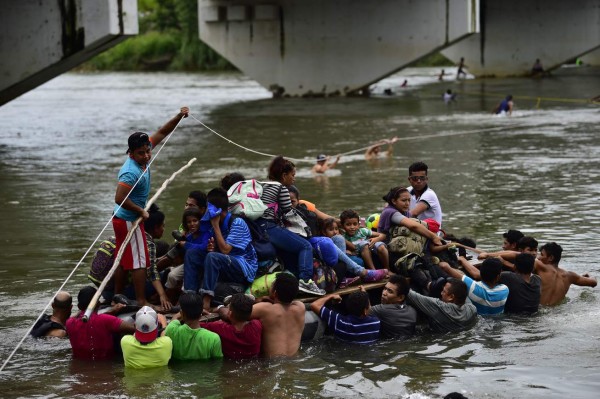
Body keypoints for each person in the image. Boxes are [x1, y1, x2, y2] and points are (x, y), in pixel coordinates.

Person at [112, 107, 189, 308]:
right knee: (139, 261)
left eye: (148, 151)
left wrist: (179, 117)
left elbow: (163, 132)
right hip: (129, 219)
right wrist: (141, 211)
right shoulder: (130, 172)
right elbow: (119, 197)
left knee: (122, 257)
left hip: (120, 218)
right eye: (141, 153)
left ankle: (117, 294)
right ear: (131, 152)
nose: (146, 156)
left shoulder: (145, 150)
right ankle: (141, 300)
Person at [257, 156, 324, 295]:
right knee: (305, 246)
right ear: (284, 175)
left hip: (258, 227)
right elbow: (289, 212)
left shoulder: (264, 185)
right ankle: (305, 281)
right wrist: (306, 229)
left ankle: (294, 281)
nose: (294, 179)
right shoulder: (281, 187)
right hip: (268, 226)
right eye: (292, 175)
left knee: (288, 249)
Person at [184, 188, 258, 311]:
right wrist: (210, 247)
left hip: (243, 266)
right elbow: (215, 250)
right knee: (192, 253)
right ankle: (189, 298)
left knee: (213, 257)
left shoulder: (237, 223)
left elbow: (225, 250)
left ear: (217, 210)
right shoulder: (213, 224)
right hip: (223, 261)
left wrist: (215, 225)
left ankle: (206, 301)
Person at [480, 242, 597, 306]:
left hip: (537, 312)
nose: (538, 257)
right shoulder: (570, 276)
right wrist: (587, 276)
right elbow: (593, 283)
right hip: (556, 315)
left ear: (550, 258)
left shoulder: (541, 266)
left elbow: (516, 254)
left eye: (542, 254)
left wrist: (488, 255)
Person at [378, 186, 442, 268]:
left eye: (409, 200)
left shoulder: (405, 212)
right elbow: (413, 226)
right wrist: (433, 237)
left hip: (402, 247)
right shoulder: (390, 212)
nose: (407, 203)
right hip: (390, 249)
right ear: (394, 201)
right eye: (404, 200)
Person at [66, 286, 135, 360]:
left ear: (79, 306)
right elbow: (136, 328)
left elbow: (86, 318)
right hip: (106, 363)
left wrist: (111, 311)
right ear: (98, 303)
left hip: (79, 366)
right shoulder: (106, 320)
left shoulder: (69, 322)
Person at [250, 273, 305, 357]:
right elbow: (286, 303)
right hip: (294, 363)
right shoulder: (300, 308)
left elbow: (238, 312)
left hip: (272, 365)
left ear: (275, 293)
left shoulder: (266, 309)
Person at [318, 217, 387, 283]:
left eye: (336, 229)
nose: (335, 232)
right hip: (334, 267)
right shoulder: (325, 241)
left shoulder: (360, 232)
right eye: (331, 229)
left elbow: (354, 247)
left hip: (345, 263)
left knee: (360, 259)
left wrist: (376, 239)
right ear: (324, 232)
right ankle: (363, 273)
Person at [201, 293, 262, 359]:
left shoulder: (220, 328)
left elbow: (196, 324)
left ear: (230, 313)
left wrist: (220, 308)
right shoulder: (257, 325)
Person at [439, 258, 509, 315]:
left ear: (480, 271)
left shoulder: (473, 287)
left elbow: (444, 266)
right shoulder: (504, 290)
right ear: (497, 277)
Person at [165, 292, 223, 360]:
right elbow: (217, 363)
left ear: (182, 314)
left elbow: (174, 319)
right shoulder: (213, 338)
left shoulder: (172, 330)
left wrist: (181, 313)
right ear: (201, 314)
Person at [406, 277, 477, 332]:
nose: (441, 293)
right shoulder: (472, 309)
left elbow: (411, 295)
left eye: (443, 291)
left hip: (434, 336)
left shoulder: (441, 307)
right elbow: (463, 293)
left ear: (451, 297)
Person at [310, 289, 380, 344]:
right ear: (365, 310)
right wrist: (364, 295)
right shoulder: (375, 323)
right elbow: (368, 310)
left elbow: (314, 305)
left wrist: (331, 296)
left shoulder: (340, 322)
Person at [407, 161, 443, 227]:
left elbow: (413, 213)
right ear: (409, 179)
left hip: (431, 234)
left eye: (422, 178)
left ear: (426, 179)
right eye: (415, 178)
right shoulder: (407, 191)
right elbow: (391, 204)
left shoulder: (429, 194)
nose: (419, 181)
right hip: (415, 229)